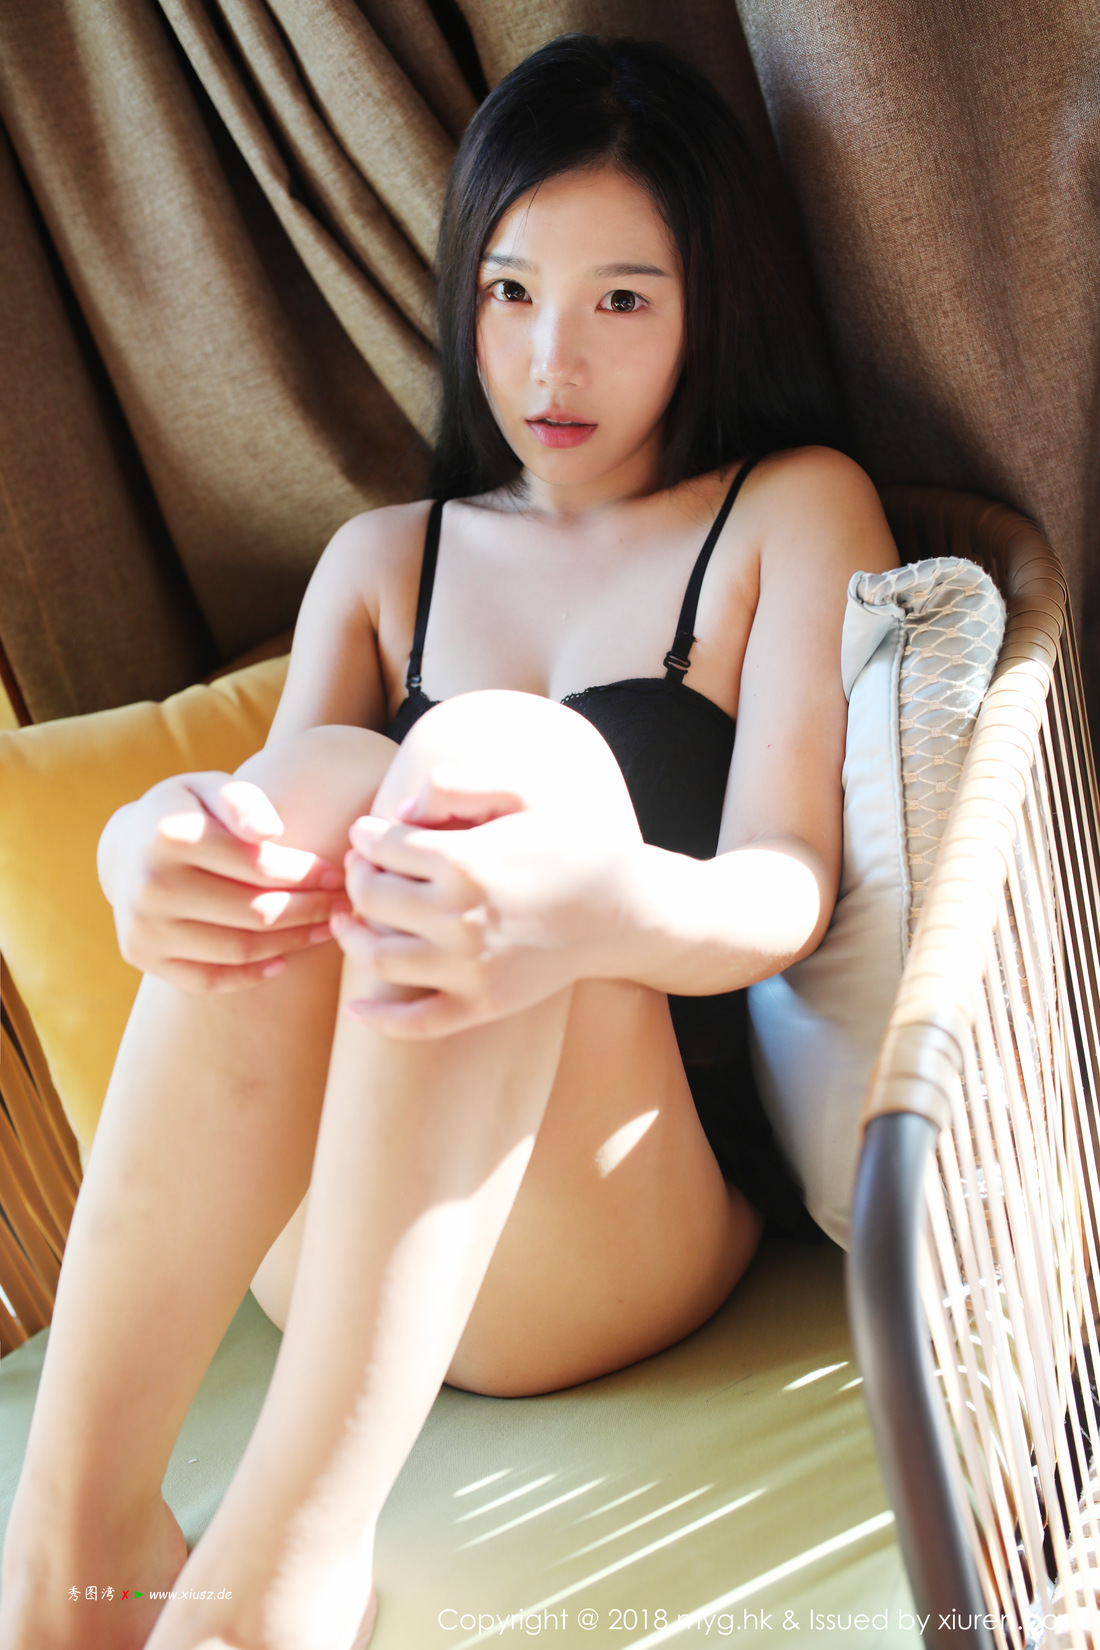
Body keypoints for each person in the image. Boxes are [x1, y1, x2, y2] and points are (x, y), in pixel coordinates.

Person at [0, 32, 898, 1650]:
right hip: (326, 1234)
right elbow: (271, 870)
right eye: (510, 291)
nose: (552, 359)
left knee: (485, 763)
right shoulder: (380, 559)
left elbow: (784, 888)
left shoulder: (788, 510)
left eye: (621, 300)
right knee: (319, 786)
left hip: (612, 1224)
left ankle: (274, 1580)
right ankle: (71, 1545)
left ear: (713, 303)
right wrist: (147, 854)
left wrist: (594, 905)